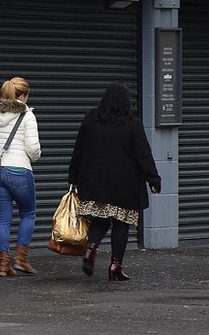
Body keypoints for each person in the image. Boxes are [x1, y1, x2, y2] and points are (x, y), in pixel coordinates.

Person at [67, 81, 161, 281]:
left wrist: (73, 177)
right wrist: (153, 179)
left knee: (100, 220)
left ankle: (90, 250)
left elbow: (79, 150)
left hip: (95, 182)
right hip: (124, 185)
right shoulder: (132, 122)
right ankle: (115, 267)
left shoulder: (91, 119)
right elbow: (143, 154)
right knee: (121, 224)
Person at [0, 76, 42, 276]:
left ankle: (3, 265)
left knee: (3, 219)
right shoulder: (27, 115)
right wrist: (35, 156)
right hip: (20, 171)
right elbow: (32, 148)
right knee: (28, 214)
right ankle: (21, 260)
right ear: (22, 96)